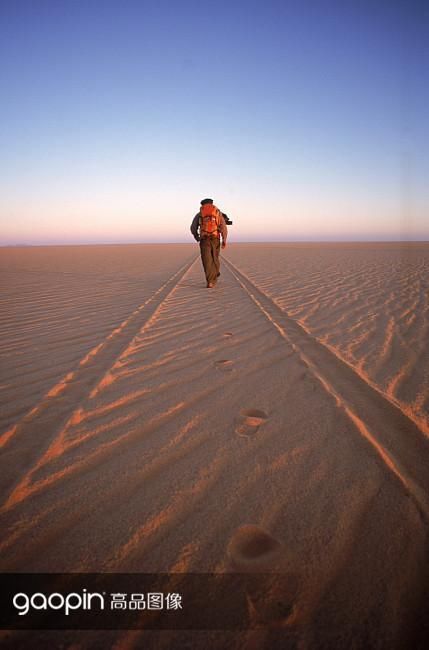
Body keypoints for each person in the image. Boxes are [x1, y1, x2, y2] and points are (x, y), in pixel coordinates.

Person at [190, 198, 228, 288]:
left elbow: (193, 227)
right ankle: (215, 273)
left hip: (204, 239)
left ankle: (210, 281)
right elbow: (223, 227)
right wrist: (224, 240)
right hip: (215, 239)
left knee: (207, 260)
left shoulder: (199, 214)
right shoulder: (218, 213)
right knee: (215, 258)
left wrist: (197, 236)